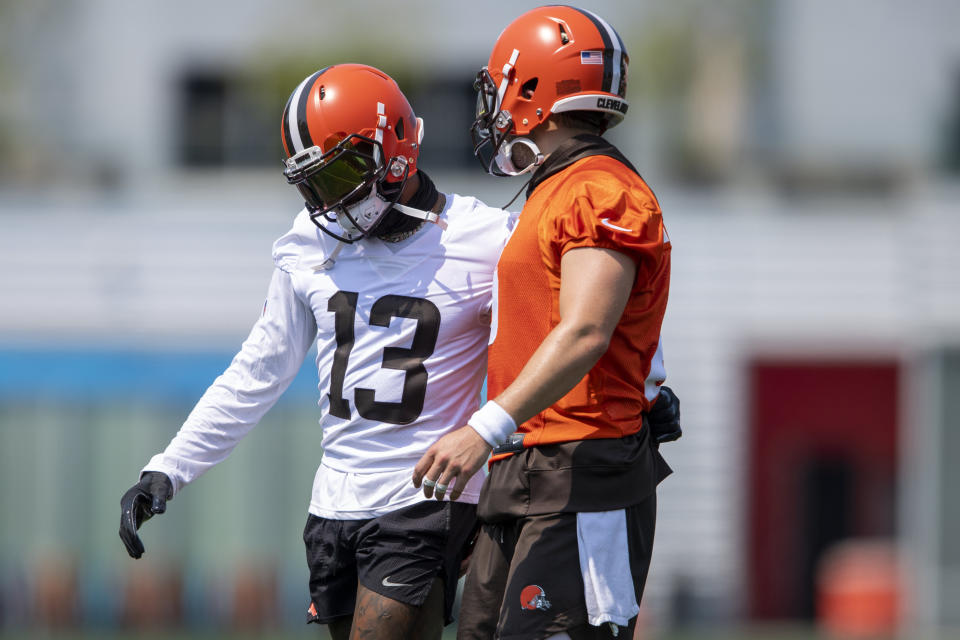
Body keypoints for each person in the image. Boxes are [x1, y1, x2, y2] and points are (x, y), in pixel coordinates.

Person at [118, 63, 518, 640]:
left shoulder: (484, 238)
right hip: (333, 500)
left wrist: (643, 380)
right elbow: (259, 369)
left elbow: (565, 327)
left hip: (423, 498)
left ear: (395, 147)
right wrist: (168, 469)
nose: (333, 199)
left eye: (345, 172)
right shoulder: (308, 242)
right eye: (317, 183)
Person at [412, 7, 679, 639]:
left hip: (580, 470)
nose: (495, 106)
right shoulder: (555, 187)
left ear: (533, 89)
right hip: (527, 465)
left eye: (504, 88)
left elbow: (588, 330)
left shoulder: (598, 191)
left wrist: (483, 427)